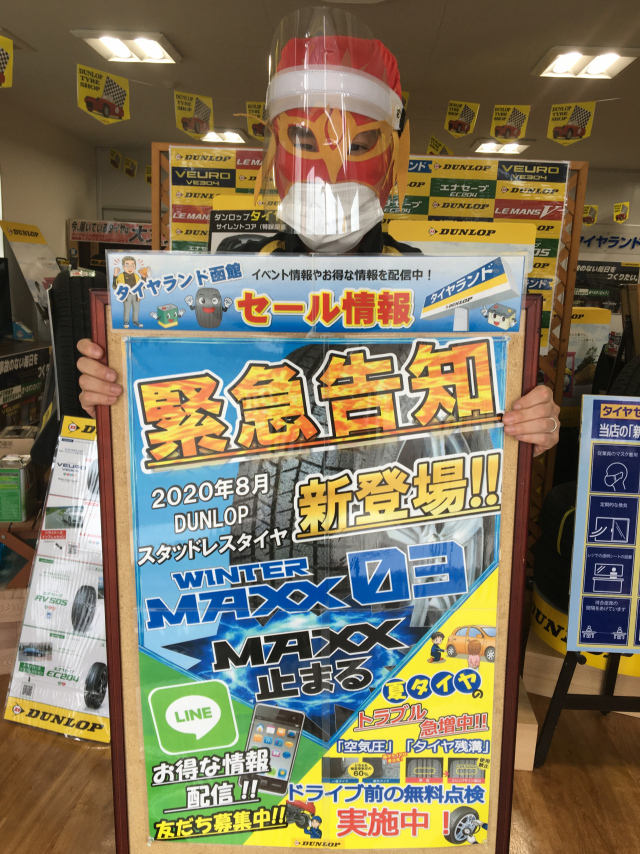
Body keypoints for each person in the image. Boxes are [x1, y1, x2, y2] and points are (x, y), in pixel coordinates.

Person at [76, 7, 560, 454]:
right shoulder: (234, 276)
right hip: (264, 495)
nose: (328, 174)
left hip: (382, 499)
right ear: (275, 149)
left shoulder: (431, 285)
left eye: (360, 144)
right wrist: (116, 386)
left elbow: (486, 404)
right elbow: (177, 390)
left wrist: (530, 427)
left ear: (391, 154)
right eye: (303, 140)